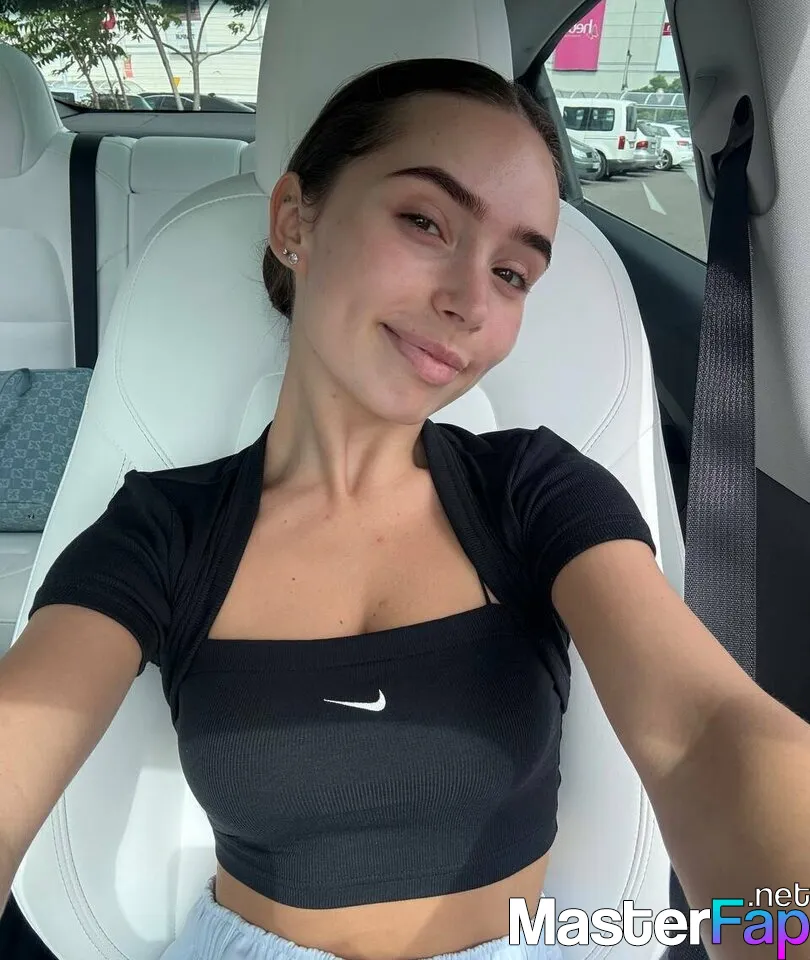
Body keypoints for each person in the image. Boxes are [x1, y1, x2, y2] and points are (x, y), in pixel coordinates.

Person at [0, 57, 808, 960]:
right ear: (294, 220)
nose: (469, 301)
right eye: (425, 222)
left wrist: (784, 928)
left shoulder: (534, 492)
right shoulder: (163, 530)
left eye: (513, 273)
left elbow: (704, 733)